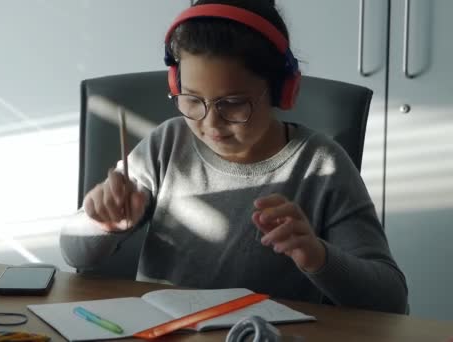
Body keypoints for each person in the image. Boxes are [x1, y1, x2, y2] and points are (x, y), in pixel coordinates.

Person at [60, 0, 408, 314]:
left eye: (233, 103)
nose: (211, 123)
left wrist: (318, 256)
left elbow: (391, 299)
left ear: (283, 91)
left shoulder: (322, 166)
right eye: (192, 100)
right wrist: (101, 223)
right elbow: (73, 252)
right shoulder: (166, 143)